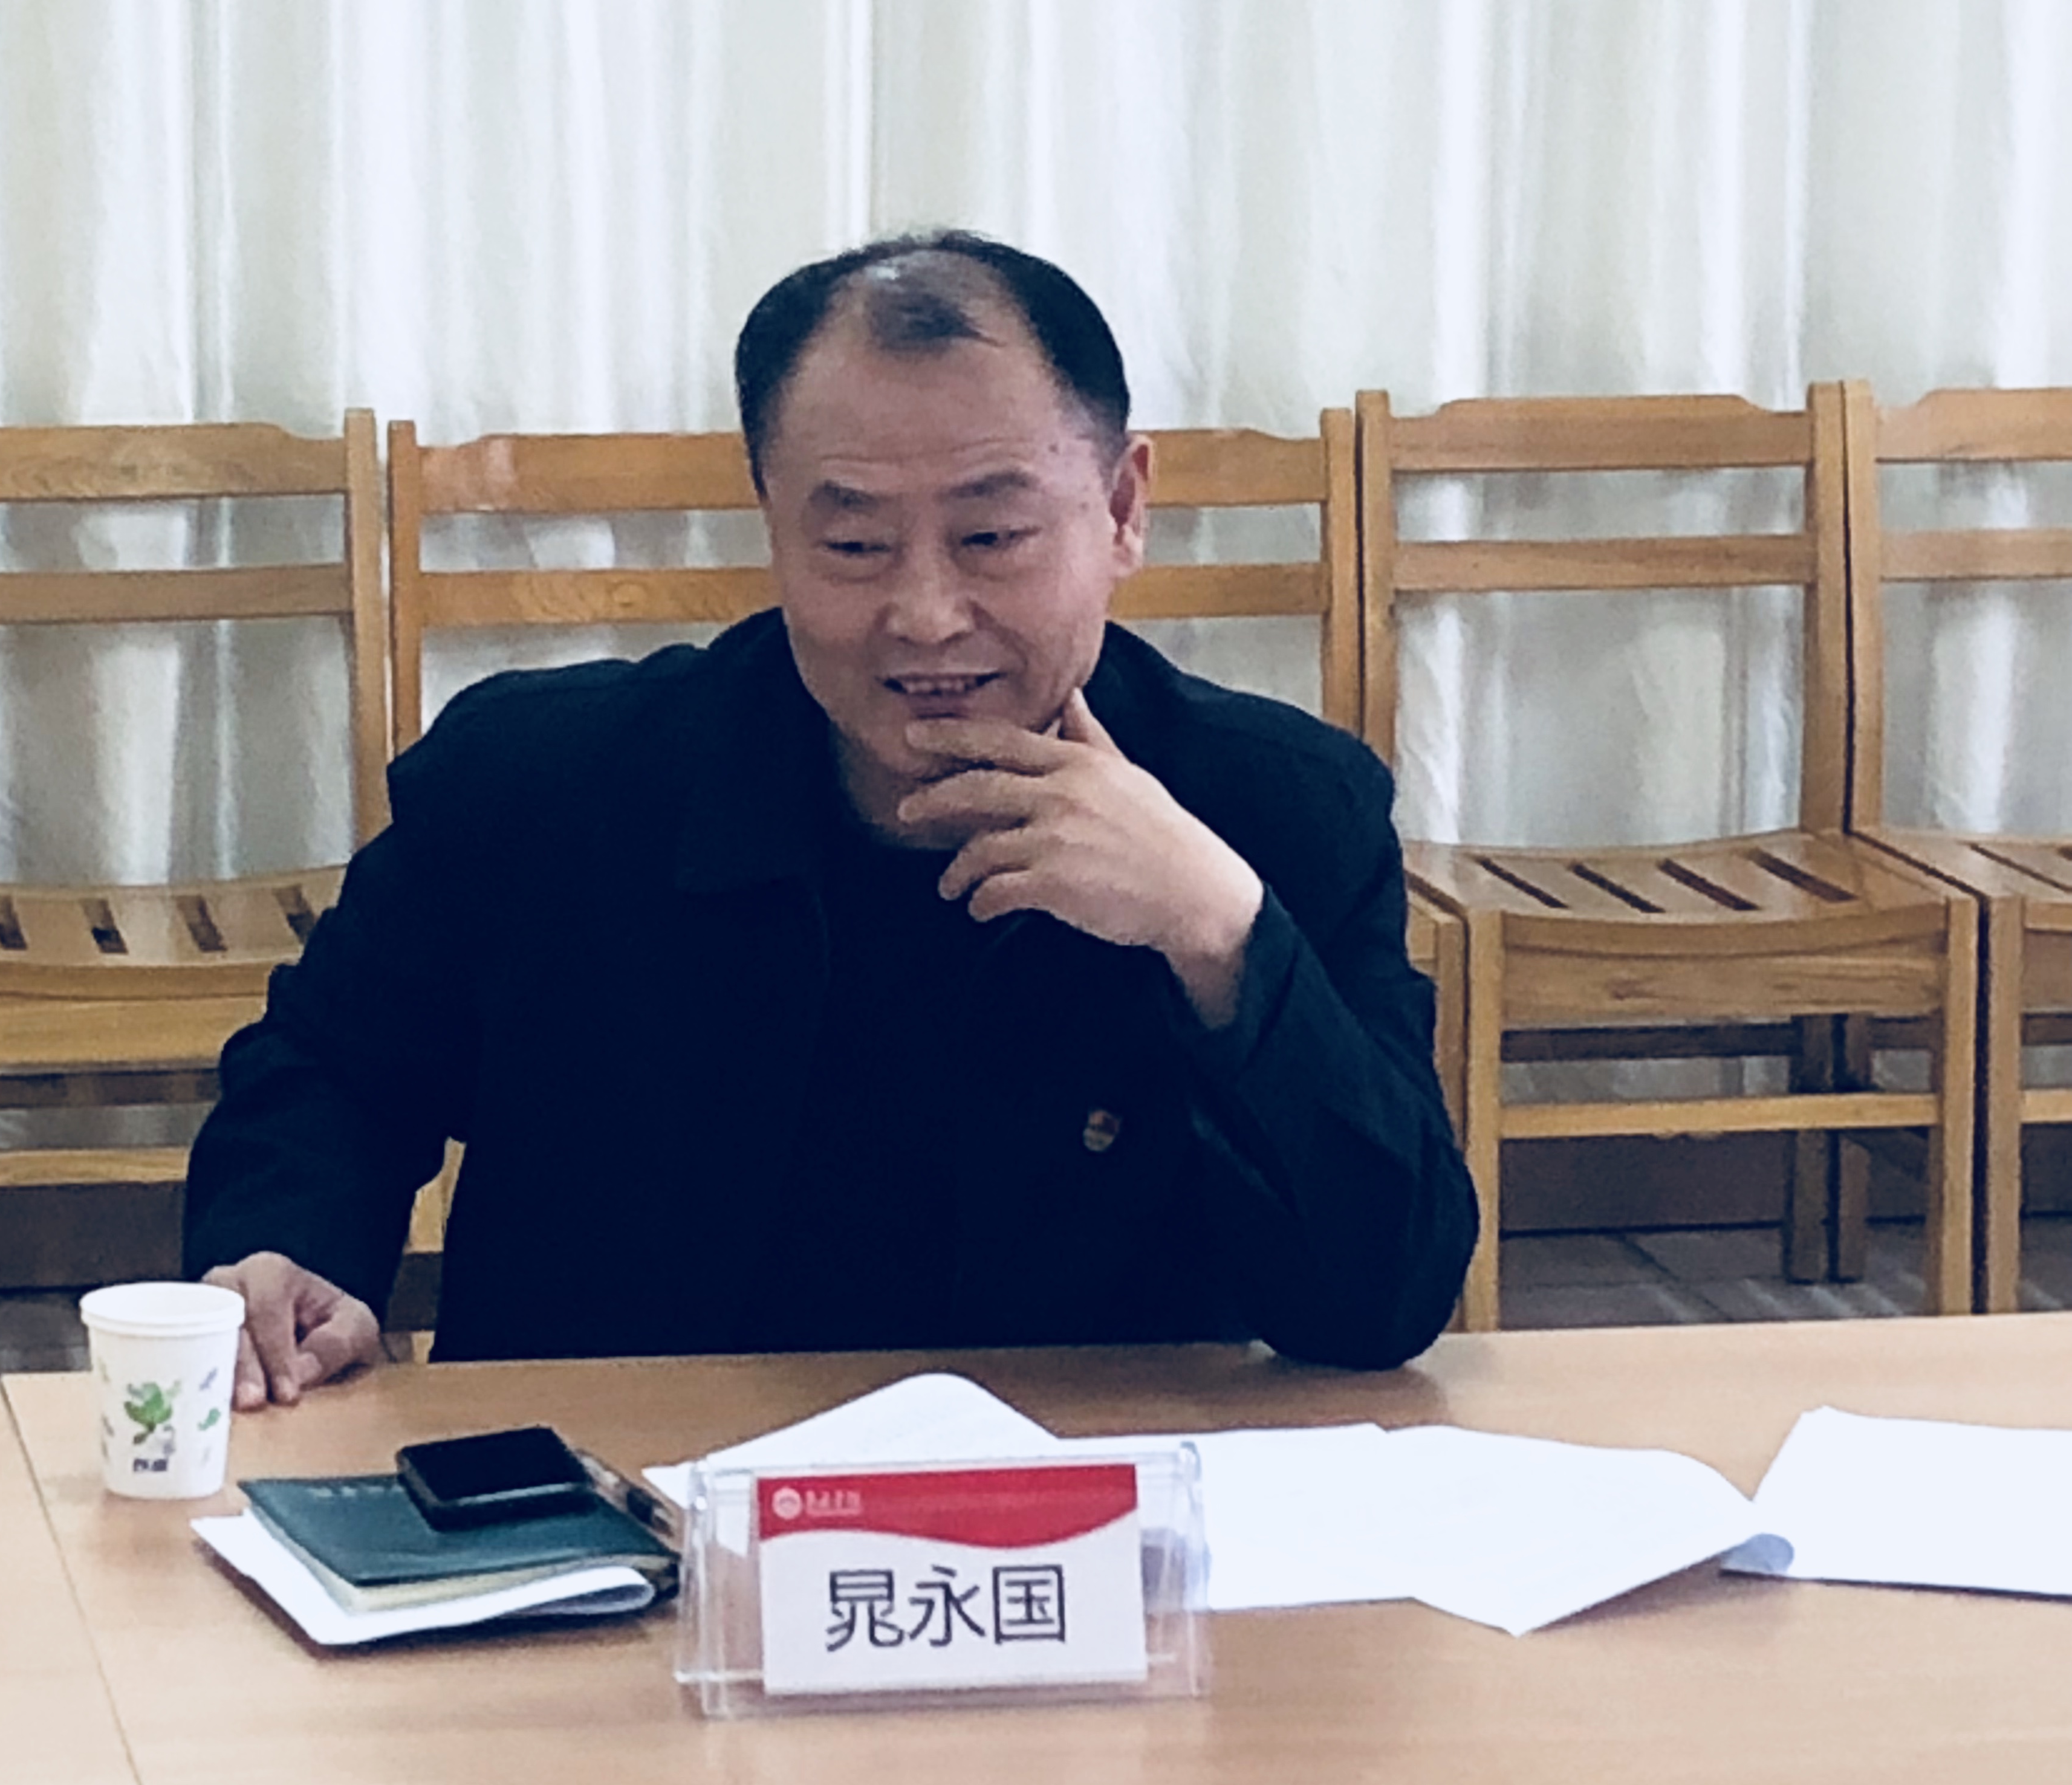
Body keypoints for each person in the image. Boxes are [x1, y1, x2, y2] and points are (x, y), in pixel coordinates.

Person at [183, 230, 1476, 1409]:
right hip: (619, 1504)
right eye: (855, 548)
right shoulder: (540, 787)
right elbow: (330, 1077)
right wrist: (290, 1252)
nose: (926, 615)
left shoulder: (1274, 812)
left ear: (1125, 510)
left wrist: (1221, 940)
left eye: (993, 536)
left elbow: (1383, 1303)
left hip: (1080, 1535)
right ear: (770, 524)